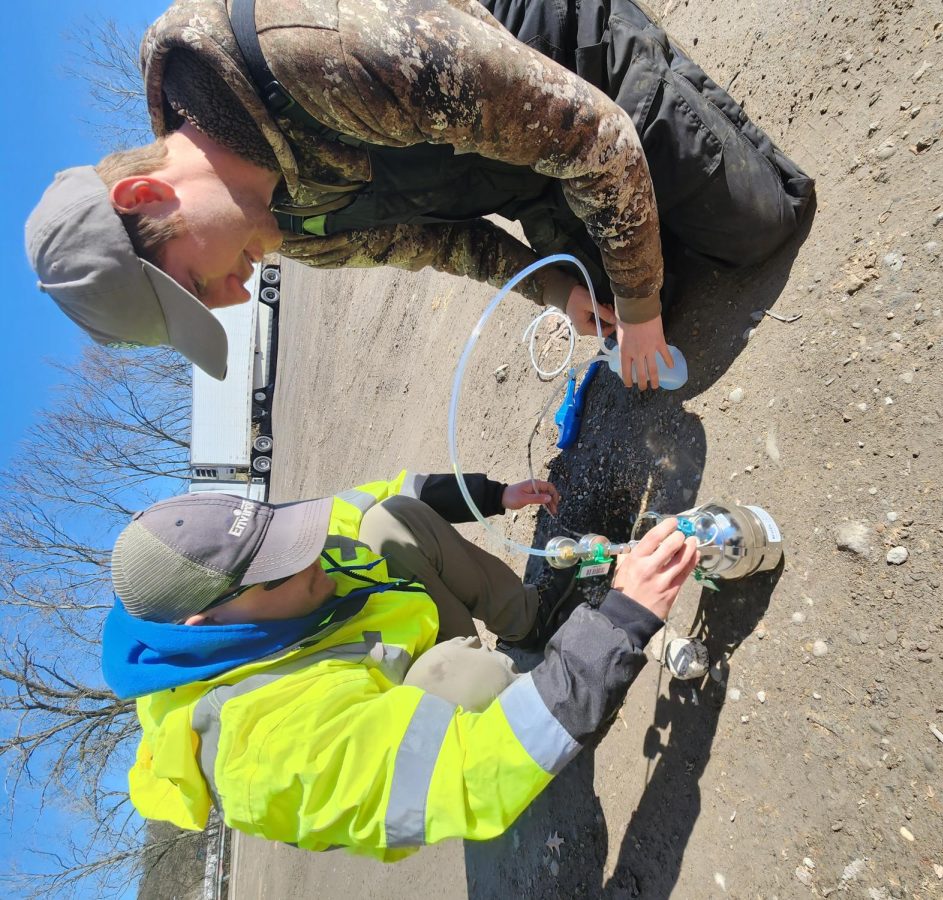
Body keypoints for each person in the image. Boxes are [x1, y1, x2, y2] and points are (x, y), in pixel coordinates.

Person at [26, 0, 813, 390]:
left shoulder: (307, 55)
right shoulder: (282, 224)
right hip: (521, 163)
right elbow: (438, 241)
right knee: (628, 288)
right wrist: (556, 288)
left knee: (752, 229)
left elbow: (590, 136)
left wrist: (640, 309)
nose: (234, 297)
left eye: (198, 284)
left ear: (144, 196)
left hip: (558, 65)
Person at [103, 472, 699, 857]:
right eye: (282, 566)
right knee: (470, 680)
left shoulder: (245, 566)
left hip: (399, 643)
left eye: (283, 535)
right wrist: (618, 625)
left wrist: (491, 496)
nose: (309, 553)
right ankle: (544, 699)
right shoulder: (262, 749)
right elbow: (469, 771)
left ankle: (533, 621)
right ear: (205, 624)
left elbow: (367, 497)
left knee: (390, 518)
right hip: (412, 713)